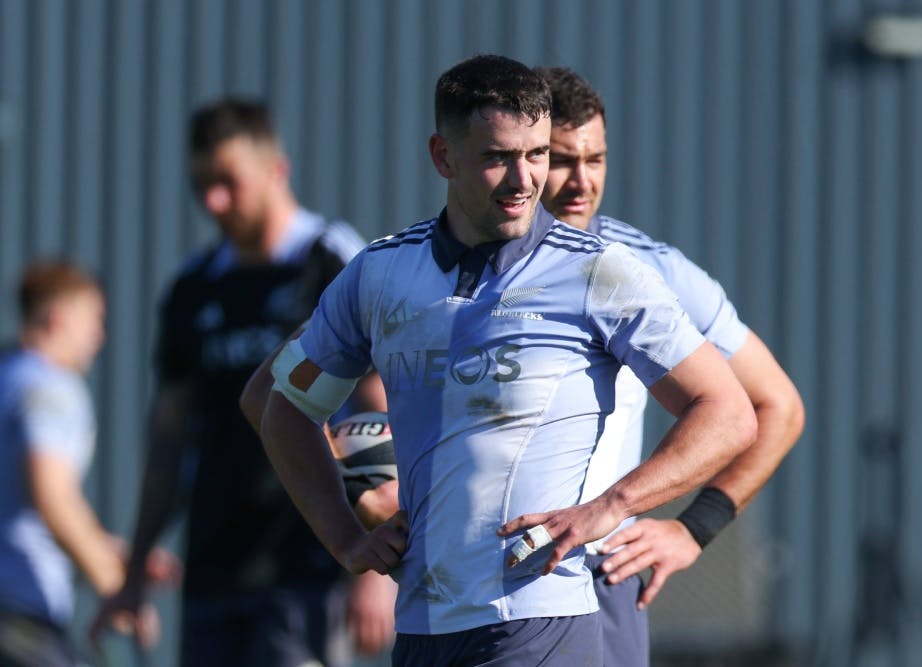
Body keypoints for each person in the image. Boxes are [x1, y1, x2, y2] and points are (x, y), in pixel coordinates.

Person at [254, 54, 757, 666]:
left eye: (537, 154)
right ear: (443, 156)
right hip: (422, 623)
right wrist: (343, 538)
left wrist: (611, 508)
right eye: (498, 158)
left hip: (540, 621)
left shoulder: (599, 271)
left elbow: (729, 411)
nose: (525, 179)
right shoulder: (379, 274)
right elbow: (282, 407)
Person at [90, 98, 395, 665]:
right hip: (213, 571)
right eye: (201, 185)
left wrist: (377, 566)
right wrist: (132, 572)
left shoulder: (332, 262)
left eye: (228, 182)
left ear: (276, 170)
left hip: (308, 569)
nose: (214, 201)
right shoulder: (195, 286)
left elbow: (378, 403)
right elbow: (168, 441)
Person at [535, 66, 807, 666]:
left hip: (596, 577)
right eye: (561, 160)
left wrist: (692, 527)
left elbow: (777, 406)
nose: (582, 181)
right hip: (468, 587)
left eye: (596, 159)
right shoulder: (442, 271)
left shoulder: (649, 269)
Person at [0, 261, 171, 665]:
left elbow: (17, 515)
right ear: (59, 318)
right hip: (18, 619)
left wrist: (111, 552)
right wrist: (116, 586)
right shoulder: (51, 389)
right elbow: (53, 499)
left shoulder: (8, 377)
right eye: (93, 319)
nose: (99, 336)